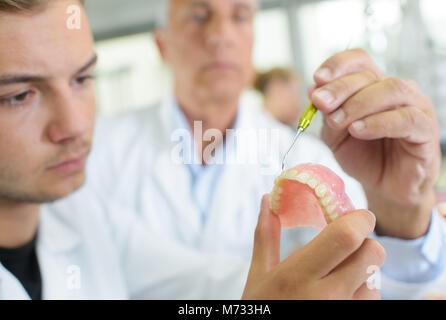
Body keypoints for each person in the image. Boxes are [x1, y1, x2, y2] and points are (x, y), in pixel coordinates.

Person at [0, 0, 386, 300]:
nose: (75, 127)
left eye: (83, 78)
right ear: (161, 44)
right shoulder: (94, 168)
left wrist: (398, 216)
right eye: (19, 96)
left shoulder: (80, 216)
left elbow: (204, 285)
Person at [73, 0, 446, 299]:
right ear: (161, 44)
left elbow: (373, 285)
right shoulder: (92, 155)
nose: (221, 35)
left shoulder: (311, 160)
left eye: (239, 16)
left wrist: (404, 212)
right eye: (199, 15)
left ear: (253, 36)